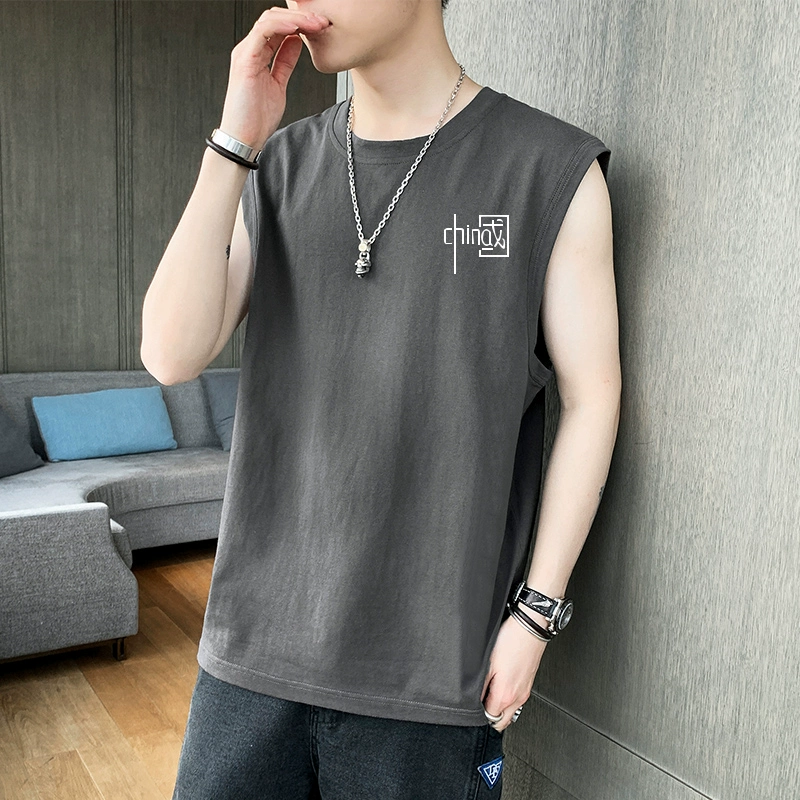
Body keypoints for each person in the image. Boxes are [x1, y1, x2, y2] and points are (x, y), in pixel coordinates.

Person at [141, 1, 621, 797]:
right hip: (251, 659)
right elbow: (169, 353)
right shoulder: (277, 164)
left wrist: (536, 617)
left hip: (431, 678)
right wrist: (235, 140)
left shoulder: (548, 168)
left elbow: (593, 399)